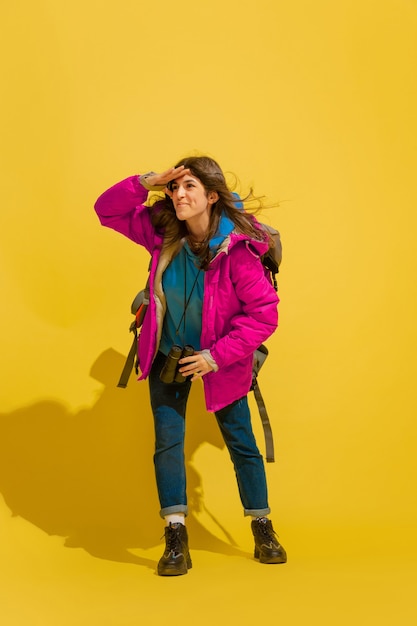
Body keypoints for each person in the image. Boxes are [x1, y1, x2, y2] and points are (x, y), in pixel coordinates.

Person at [94, 155, 287, 575]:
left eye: (189, 188)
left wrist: (215, 357)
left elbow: (263, 314)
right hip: (169, 352)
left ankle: (262, 525)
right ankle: (175, 534)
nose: (178, 196)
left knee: (242, 444)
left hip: (221, 360)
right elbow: (106, 210)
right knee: (167, 443)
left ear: (211, 196)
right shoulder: (163, 232)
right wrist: (149, 180)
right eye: (174, 188)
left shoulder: (238, 250)